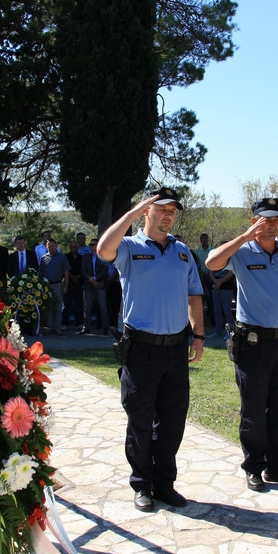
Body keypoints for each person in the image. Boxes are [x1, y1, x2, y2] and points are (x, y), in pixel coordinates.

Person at [97, 187, 204, 512]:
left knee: (172, 421)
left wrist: (198, 335)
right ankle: (142, 484)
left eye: (173, 211)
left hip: (175, 350)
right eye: (161, 209)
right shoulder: (129, 247)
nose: (168, 215)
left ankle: (164, 483)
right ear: (147, 212)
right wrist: (131, 212)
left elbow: (194, 296)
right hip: (141, 351)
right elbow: (103, 249)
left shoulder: (183, 252)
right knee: (141, 419)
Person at [205, 197, 278, 492]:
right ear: (254, 221)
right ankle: (254, 467)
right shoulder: (242, 251)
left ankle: (276, 465)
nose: (272, 225)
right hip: (251, 342)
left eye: (276, 220)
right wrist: (245, 238)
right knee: (253, 409)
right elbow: (212, 262)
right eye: (266, 220)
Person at [79, 239, 110, 335]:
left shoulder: (102, 257)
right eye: (90, 245)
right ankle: (86, 327)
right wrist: (90, 278)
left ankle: (105, 327)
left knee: (103, 307)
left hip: (99, 284)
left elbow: (104, 270)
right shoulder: (85, 257)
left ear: (98, 245)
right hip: (88, 284)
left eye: (93, 244)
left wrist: (95, 278)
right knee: (87, 307)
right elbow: (83, 269)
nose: (91, 246)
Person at [39, 238, 68, 335]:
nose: (51, 248)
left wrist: (65, 286)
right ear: (46, 247)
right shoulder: (43, 258)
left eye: (53, 246)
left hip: (58, 284)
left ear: (56, 246)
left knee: (58, 307)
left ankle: (57, 328)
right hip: (47, 286)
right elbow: (41, 273)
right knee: (49, 308)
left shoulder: (62, 257)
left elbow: (66, 272)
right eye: (49, 246)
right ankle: (50, 327)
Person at [208, 243, 236, 339]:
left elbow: (231, 273)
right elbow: (210, 271)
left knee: (227, 311)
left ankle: (229, 332)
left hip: (227, 288)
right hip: (216, 288)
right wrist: (215, 281)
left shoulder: (231, 257)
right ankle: (217, 331)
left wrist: (221, 282)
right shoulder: (215, 256)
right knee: (217, 311)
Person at [64, 240, 85, 327]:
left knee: (79, 304)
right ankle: (64, 323)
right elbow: (65, 269)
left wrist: (78, 276)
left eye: (76, 247)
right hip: (69, 282)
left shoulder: (82, 257)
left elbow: (84, 269)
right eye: (72, 247)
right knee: (66, 304)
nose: (74, 248)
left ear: (78, 247)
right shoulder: (66, 257)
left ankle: (79, 323)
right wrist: (72, 276)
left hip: (79, 283)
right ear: (70, 247)